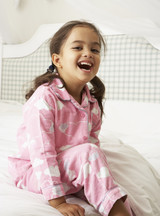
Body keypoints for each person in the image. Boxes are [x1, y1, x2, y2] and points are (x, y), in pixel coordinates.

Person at [8, 20, 133, 216]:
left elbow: (90, 145)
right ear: (57, 60)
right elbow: (42, 153)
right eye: (78, 47)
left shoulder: (91, 103)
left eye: (95, 49)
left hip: (66, 167)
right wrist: (58, 202)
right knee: (90, 154)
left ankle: (121, 209)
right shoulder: (44, 99)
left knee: (99, 163)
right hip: (34, 172)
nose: (88, 53)